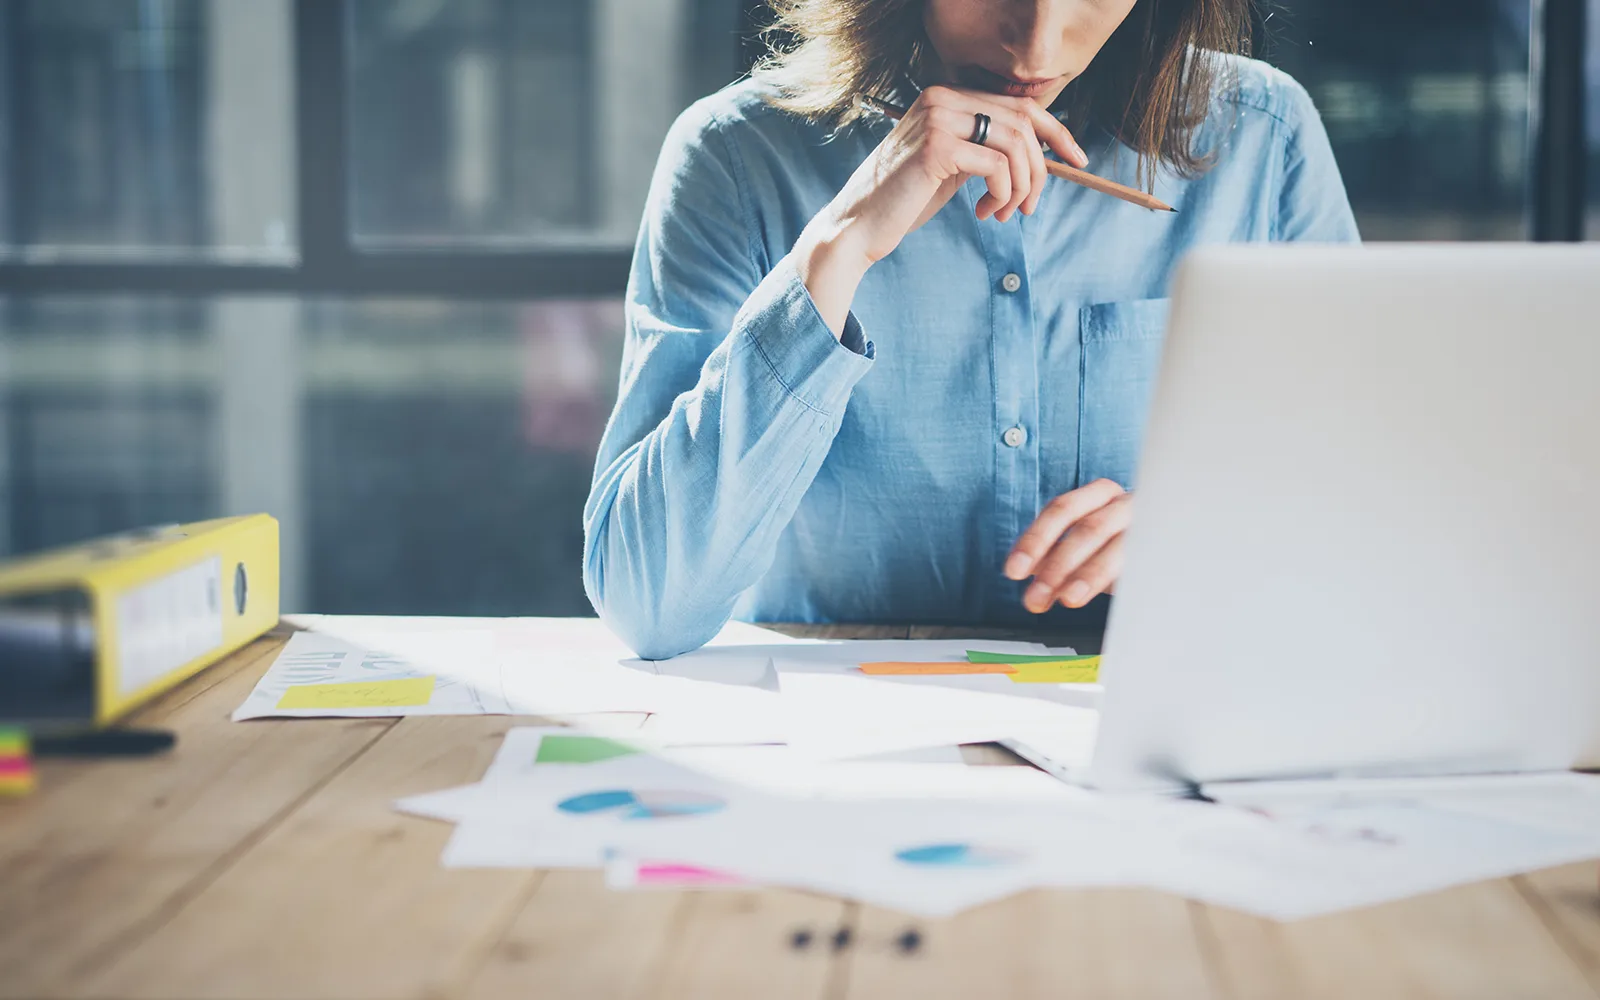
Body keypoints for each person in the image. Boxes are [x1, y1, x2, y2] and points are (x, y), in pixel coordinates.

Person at [583, 0, 1358, 659]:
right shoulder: (735, 156)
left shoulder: (1266, 139)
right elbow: (645, 601)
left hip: (1149, 735)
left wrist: (1217, 530)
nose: (1038, 45)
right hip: (834, 756)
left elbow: (1372, 523)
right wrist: (838, 251)